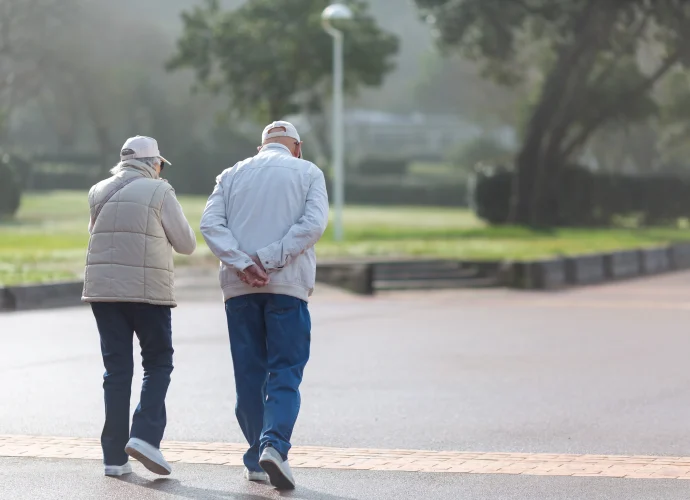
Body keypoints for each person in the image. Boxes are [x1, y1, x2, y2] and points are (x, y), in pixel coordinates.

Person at [200, 121, 329, 490]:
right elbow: (313, 224)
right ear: (297, 147)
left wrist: (243, 262)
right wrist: (270, 258)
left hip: (239, 289)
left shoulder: (230, 174)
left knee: (249, 374)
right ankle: (273, 444)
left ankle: (255, 456)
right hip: (287, 286)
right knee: (285, 370)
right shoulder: (308, 172)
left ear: (260, 149)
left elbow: (210, 224)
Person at [82, 135, 197, 477]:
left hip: (104, 294)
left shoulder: (97, 191)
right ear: (153, 163)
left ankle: (114, 459)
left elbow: (97, 233)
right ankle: (145, 436)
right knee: (158, 362)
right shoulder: (160, 191)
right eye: (160, 164)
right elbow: (187, 244)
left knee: (116, 371)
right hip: (148, 293)